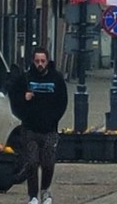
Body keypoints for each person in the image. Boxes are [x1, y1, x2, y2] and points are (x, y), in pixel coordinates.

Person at [9, 47, 68, 204]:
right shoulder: (25, 79)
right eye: (37, 61)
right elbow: (14, 101)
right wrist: (24, 99)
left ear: (47, 61)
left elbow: (62, 102)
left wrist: (53, 119)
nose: (40, 64)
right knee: (32, 162)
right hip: (29, 129)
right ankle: (33, 195)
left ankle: (45, 191)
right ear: (32, 61)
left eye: (42, 61)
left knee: (48, 163)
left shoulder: (56, 79)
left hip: (49, 130)